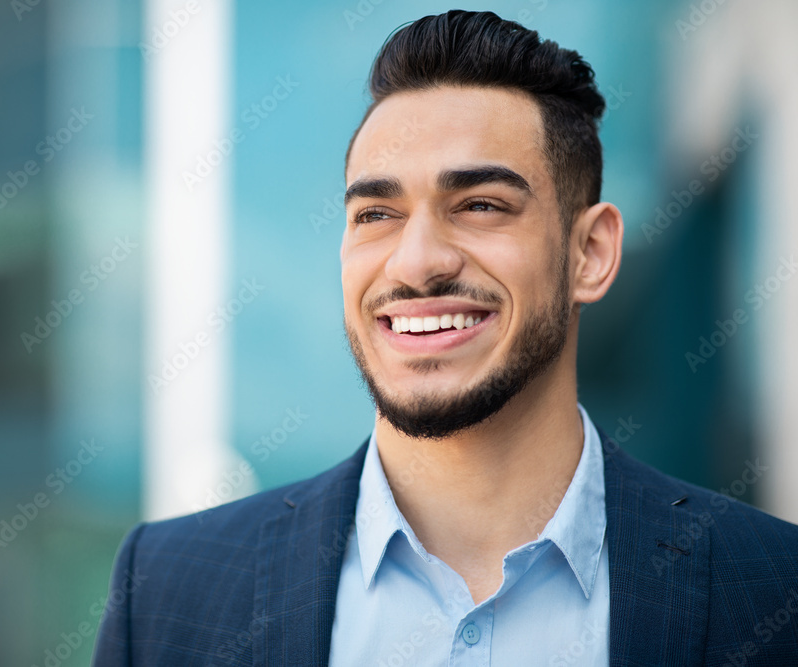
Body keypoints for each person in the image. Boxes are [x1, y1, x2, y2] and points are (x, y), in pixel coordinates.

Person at [92, 10, 798, 665]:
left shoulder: (770, 585)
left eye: (481, 205)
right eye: (376, 213)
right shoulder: (167, 594)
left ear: (590, 252)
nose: (417, 260)